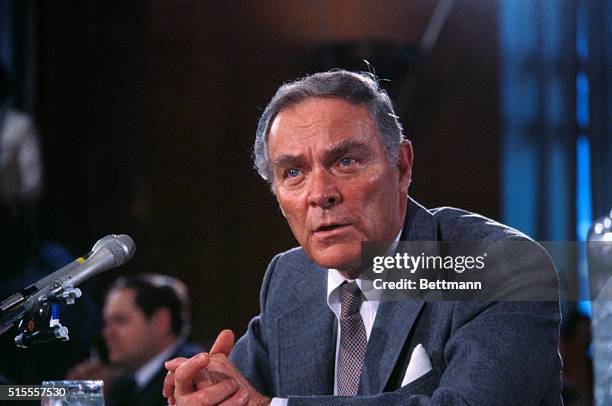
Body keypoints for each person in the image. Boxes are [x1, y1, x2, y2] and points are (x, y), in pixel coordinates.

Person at [164, 70, 562, 405]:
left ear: (402, 167)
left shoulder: (501, 266)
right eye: (293, 173)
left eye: (346, 162)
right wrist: (210, 390)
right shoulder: (290, 278)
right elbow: (242, 395)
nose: (320, 194)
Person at [68, 273, 203, 406]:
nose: (107, 333)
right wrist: (75, 393)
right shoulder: (125, 384)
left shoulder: (193, 377)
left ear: (160, 322)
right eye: (107, 323)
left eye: (120, 320)